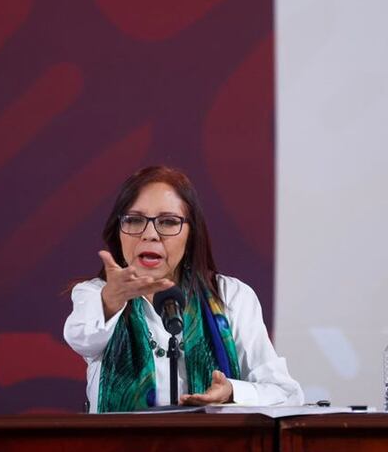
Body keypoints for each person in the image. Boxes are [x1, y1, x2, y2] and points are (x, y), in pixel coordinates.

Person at [64, 165, 303, 412]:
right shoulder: (95, 294)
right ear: (119, 231)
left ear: (191, 233)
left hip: (210, 450)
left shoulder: (231, 296)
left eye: (168, 222)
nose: (150, 234)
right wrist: (111, 300)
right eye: (134, 221)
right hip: (120, 450)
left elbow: (285, 393)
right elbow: (82, 340)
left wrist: (232, 392)